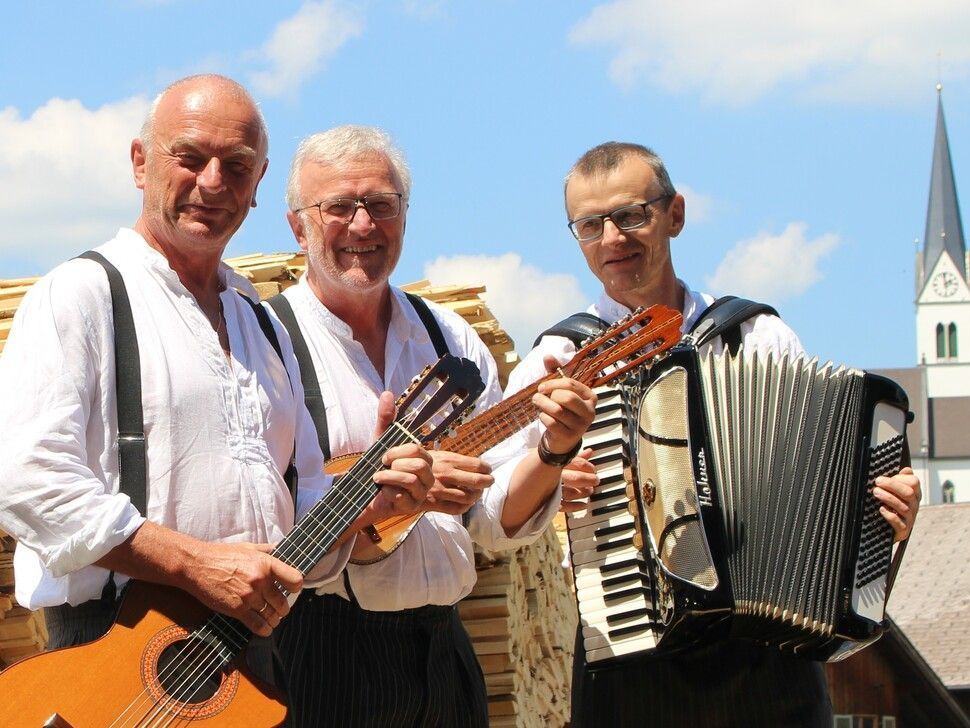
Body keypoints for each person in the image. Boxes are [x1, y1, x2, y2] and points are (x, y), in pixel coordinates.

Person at [0, 76, 433, 692]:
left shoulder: (259, 320)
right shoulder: (82, 293)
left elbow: (302, 495)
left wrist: (370, 513)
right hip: (117, 660)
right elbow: (26, 477)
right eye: (190, 157)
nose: (212, 182)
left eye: (235, 166)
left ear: (257, 187)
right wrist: (193, 564)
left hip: (248, 662)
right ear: (140, 161)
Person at [503, 141, 923, 727]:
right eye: (590, 225)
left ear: (674, 214)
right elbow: (499, 514)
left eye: (631, 216)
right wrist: (551, 467)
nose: (612, 239)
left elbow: (828, 482)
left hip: (768, 661)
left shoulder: (756, 336)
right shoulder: (559, 358)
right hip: (630, 653)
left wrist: (887, 513)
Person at [269, 125, 597, 727]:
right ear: (298, 226)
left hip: (443, 648)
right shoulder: (266, 344)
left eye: (382, 205)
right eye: (339, 206)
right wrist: (385, 499)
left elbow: (494, 520)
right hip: (318, 651)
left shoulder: (450, 338)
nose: (363, 226)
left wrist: (553, 450)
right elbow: (259, 516)